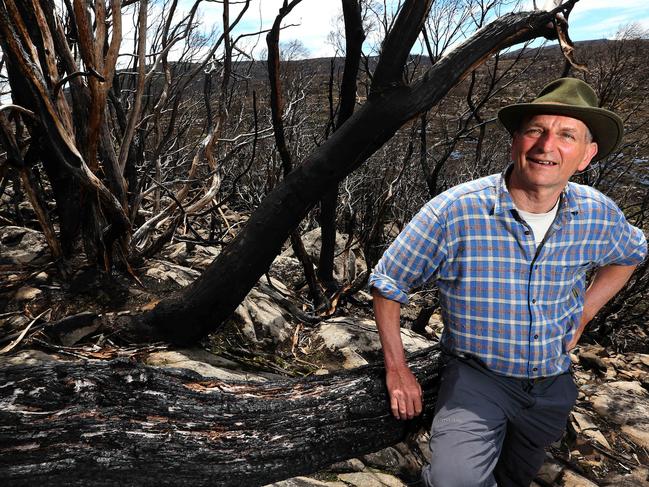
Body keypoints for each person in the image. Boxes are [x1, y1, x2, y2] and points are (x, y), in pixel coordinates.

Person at [368, 77, 647, 487]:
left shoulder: (597, 212)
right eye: (536, 130)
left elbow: (631, 254)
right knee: (454, 480)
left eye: (567, 135)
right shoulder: (456, 212)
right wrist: (398, 370)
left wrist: (586, 311)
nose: (546, 145)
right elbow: (388, 282)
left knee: (515, 476)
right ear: (516, 140)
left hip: (552, 386)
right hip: (477, 379)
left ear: (586, 156)